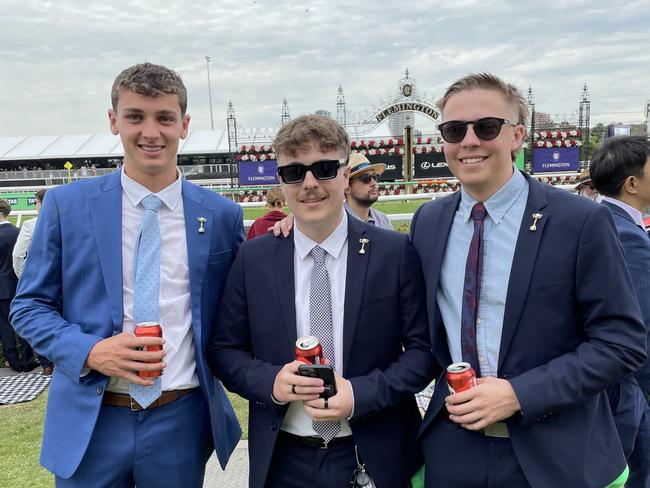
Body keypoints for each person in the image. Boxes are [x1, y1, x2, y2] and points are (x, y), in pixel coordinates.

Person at [10, 63, 243, 487]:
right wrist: (89, 351)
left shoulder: (222, 216)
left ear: (184, 125)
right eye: (135, 116)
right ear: (114, 121)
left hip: (181, 418)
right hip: (91, 418)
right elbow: (28, 306)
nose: (150, 132)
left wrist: (287, 233)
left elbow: (246, 300)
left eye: (164, 118)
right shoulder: (66, 206)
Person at [410, 73, 646, 487]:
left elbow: (621, 343)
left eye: (486, 127)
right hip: (454, 451)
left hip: (556, 453)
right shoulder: (428, 222)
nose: (469, 141)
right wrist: (297, 230)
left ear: (517, 135)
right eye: (454, 129)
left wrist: (519, 394)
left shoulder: (581, 220)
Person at [208, 114, 434, 488]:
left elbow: (423, 352)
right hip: (283, 457)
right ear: (281, 181)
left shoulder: (393, 252)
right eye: (295, 172)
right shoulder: (253, 258)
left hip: (373, 452)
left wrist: (358, 394)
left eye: (324, 168)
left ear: (346, 174)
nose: (309, 183)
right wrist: (272, 382)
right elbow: (224, 349)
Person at [590, 135, 650, 487]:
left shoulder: (596, 218)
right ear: (631, 184)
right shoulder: (624, 233)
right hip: (629, 386)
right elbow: (639, 324)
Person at [12, 188, 54, 374]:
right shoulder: (72, 218)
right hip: (68, 281)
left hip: (42, 281)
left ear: (40, 203)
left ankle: (47, 365)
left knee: (41, 320)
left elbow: (18, 254)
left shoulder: (31, 224)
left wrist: (24, 278)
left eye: (36, 203)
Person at [0, 199, 38, 373]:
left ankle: (13, 361)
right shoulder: (19, 231)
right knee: (22, 322)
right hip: (19, 283)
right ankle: (28, 359)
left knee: (5, 326)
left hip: (2, 288)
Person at [344, 153, 393, 229]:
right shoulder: (335, 223)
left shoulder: (383, 220)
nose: (374, 183)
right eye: (366, 178)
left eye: (375, 177)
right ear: (346, 187)